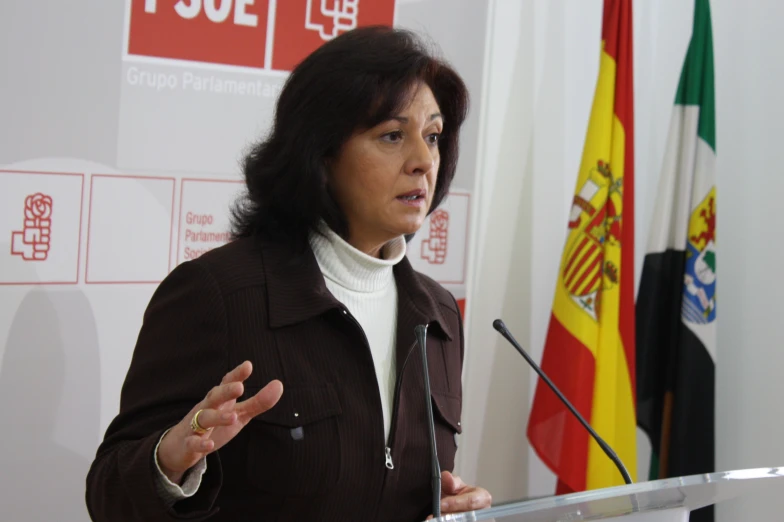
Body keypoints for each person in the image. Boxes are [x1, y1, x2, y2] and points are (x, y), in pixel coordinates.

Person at [85, 26, 491, 522]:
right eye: (392, 135)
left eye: (432, 136)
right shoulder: (219, 295)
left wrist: (446, 506)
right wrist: (172, 460)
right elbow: (109, 496)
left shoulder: (439, 315)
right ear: (320, 154)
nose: (425, 161)